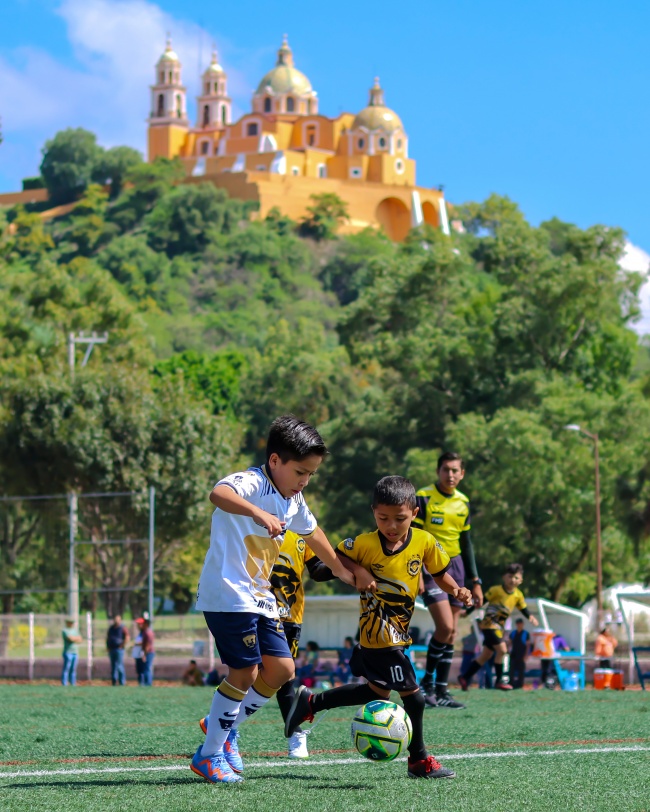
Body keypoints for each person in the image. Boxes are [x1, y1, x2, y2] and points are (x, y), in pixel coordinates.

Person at [190, 415, 365, 784]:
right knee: (245, 672)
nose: (304, 481)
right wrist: (257, 513)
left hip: (259, 596)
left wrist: (343, 572)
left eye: (311, 474)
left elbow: (313, 532)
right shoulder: (252, 482)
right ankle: (209, 755)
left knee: (283, 670)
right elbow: (218, 494)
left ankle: (224, 726)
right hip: (228, 594)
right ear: (275, 461)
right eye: (300, 471)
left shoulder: (293, 498)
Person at [285, 476, 473, 780]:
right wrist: (357, 569)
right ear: (373, 512)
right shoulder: (364, 543)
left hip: (399, 633)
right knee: (415, 696)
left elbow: (440, 573)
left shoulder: (424, 541)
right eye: (383, 518)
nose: (392, 525)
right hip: (378, 634)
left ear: (414, 513)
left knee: (376, 692)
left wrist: (457, 590)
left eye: (400, 518)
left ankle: (312, 701)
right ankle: (419, 760)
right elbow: (323, 569)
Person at [412, 452, 483, 709]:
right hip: (431, 565)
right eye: (446, 469)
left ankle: (442, 691)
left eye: (455, 470)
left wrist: (475, 580)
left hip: (457, 566)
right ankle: (427, 684)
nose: (450, 474)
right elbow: (415, 535)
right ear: (438, 471)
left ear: (462, 474)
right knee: (444, 627)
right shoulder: (424, 496)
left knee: (452, 632)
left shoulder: (463, 502)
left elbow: (467, 542)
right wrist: (418, 571)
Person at [459, 563, 538, 691]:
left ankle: (465, 677)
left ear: (521, 580)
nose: (513, 580)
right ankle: (500, 681)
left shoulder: (518, 595)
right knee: (502, 650)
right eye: (510, 576)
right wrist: (467, 612)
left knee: (485, 655)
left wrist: (531, 617)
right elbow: (481, 602)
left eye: (516, 578)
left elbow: (523, 608)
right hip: (489, 625)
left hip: (498, 628)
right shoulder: (496, 590)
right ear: (504, 577)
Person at [106, 615, 129, 686]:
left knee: (119, 665)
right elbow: (108, 638)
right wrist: (108, 646)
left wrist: (122, 645)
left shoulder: (123, 628)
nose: (116, 621)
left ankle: (122, 682)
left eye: (118, 619)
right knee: (113, 666)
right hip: (112, 649)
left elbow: (127, 637)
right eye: (115, 619)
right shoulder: (111, 628)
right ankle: (114, 681)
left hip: (119, 649)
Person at [508, 618, 531, 689]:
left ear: (522, 624)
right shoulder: (513, 633)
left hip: (521, 654)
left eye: (520, 624)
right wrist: (508, 651)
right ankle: (511, 683)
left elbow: (528, 645)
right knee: (511, 670)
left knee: (521, 671)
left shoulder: (525, 634)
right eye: (518, 624)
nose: (519, 625)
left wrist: (526, 655)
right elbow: (509, 643)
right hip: (513, 654)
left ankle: (520, 684)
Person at [61, 618, 82, 686]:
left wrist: (74, 638)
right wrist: (75, 638)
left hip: (75, 652)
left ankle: (73, 683)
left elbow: (80, 639)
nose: (72, 624)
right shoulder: (65, 630)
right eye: (70, 622)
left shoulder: (75, 631)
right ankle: (64, 683)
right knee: (67, 668)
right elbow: (70, 639)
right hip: (68, 652)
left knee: (73, 669)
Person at [135, 617, 155, 686]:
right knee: (144, 669)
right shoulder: (143, 632)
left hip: (148, 653)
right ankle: (144, 683)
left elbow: (147, 645)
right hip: (144, 652)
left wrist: (144, 655)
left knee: (147, 669)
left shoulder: (147, 633)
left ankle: (148, 684)